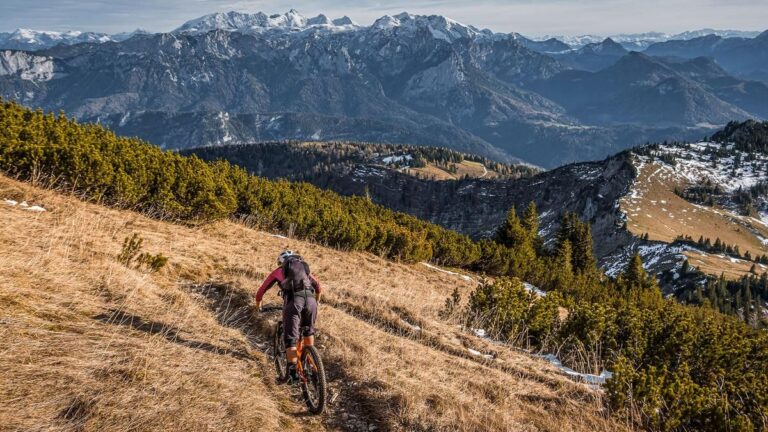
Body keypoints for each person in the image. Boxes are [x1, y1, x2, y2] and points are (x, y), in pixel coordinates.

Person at [255, 250, 322, 383]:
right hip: (311, 301)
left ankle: (292, 374)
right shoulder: (303, 270)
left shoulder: (278, 271)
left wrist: (259, 307)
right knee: (308, 331)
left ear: (282, 263)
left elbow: (261, 291)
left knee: (291, 339)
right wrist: (317, 301)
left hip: (294, 302)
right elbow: (318, 287)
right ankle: (312, 363)